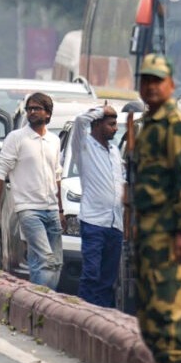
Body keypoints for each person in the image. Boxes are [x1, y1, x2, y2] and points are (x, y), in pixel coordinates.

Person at [126, 54, 181, 363]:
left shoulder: (176, 124)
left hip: (169, 232)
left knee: (167, 309)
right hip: (148, 230)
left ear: (171, 85)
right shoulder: (148, 123)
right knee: (148, 311)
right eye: (146, 80)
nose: (151, 86)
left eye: (158, 80)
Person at [0, 92, 65, 288]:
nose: (31, 112)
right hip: (28, 209)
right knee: (46, 259)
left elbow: (57, 175)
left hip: (51, 208)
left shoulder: (54, 141)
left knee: (55, 263)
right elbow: (0, 172)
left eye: (37, 108)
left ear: (48, 114)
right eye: (29, 109)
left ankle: (39, 304)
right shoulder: (16, 138)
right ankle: (43, 306)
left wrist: (61, 210)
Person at [72, 104, 124, 308]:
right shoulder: (83, 146)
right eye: (111, 124)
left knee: (108, 280)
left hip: (115, 224)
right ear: (98, 124)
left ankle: (103, 320)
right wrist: (102, 110)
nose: (115, 128)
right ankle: (85, 315)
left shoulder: (114, 151)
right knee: (91, 275)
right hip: (94, 222)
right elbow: (79, 121)